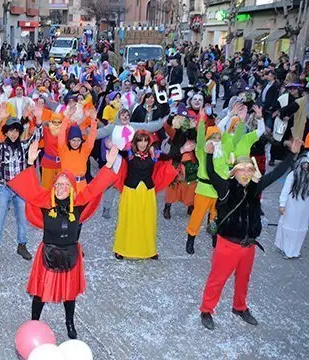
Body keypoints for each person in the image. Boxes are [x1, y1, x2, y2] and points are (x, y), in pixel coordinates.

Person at [8, 141, 120, 339]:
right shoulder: (45, 201)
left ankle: (70, 323)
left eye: (65, 185)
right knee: (40, 293)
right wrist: (29, 163)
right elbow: (31, 189)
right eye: (58, 184)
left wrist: (108, 166)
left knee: (70, 295)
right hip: (47, 253)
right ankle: (34, 323)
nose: (61, 188)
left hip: (71, 254)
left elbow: (94, 189)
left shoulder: (77, 204)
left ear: (71, 188)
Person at [199, 138, 301, 330]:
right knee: (217, 279)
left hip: (249, 244)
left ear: (253, 172)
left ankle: (239, 307)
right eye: (241, 169)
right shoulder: (226, 188)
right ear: (234, 172)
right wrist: (209, 154)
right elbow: (211, 173)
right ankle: (206, 310)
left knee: (244, 278)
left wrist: (292, 156)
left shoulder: (256, 188)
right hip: (227, 244)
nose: (245, 173)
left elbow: (277, 172)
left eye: (249, 170)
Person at [0, 103, 43, 263]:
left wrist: (38, 120)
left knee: (22, 219)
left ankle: (22, 245)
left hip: (21, 189)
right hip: (3, 187)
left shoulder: (23, 146)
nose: (14, 133)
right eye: (11, 130)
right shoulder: (0, 147)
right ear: (6, 131)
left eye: (16, 130)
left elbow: (37, 137)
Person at [112, 131, 179, 260]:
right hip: (131, 192)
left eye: (145, 141)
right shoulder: (128, 153)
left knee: (148, 221)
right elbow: (116, 152)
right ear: (135, 142)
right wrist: (111, 145)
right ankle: (121, 249)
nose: (142, 144)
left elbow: (172, 155)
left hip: (147, 193)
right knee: (128, 220)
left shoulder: (154, 154)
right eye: (140, 140)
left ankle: (149, 250)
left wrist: (182, 148)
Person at [274, 152, 309, 258]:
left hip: (304, 209)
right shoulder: (293, 175)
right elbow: (285, 191)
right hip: (291, 206)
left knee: (300, 229)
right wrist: (282, 204)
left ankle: (294, 251)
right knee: (287, 226)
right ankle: (284, 248)